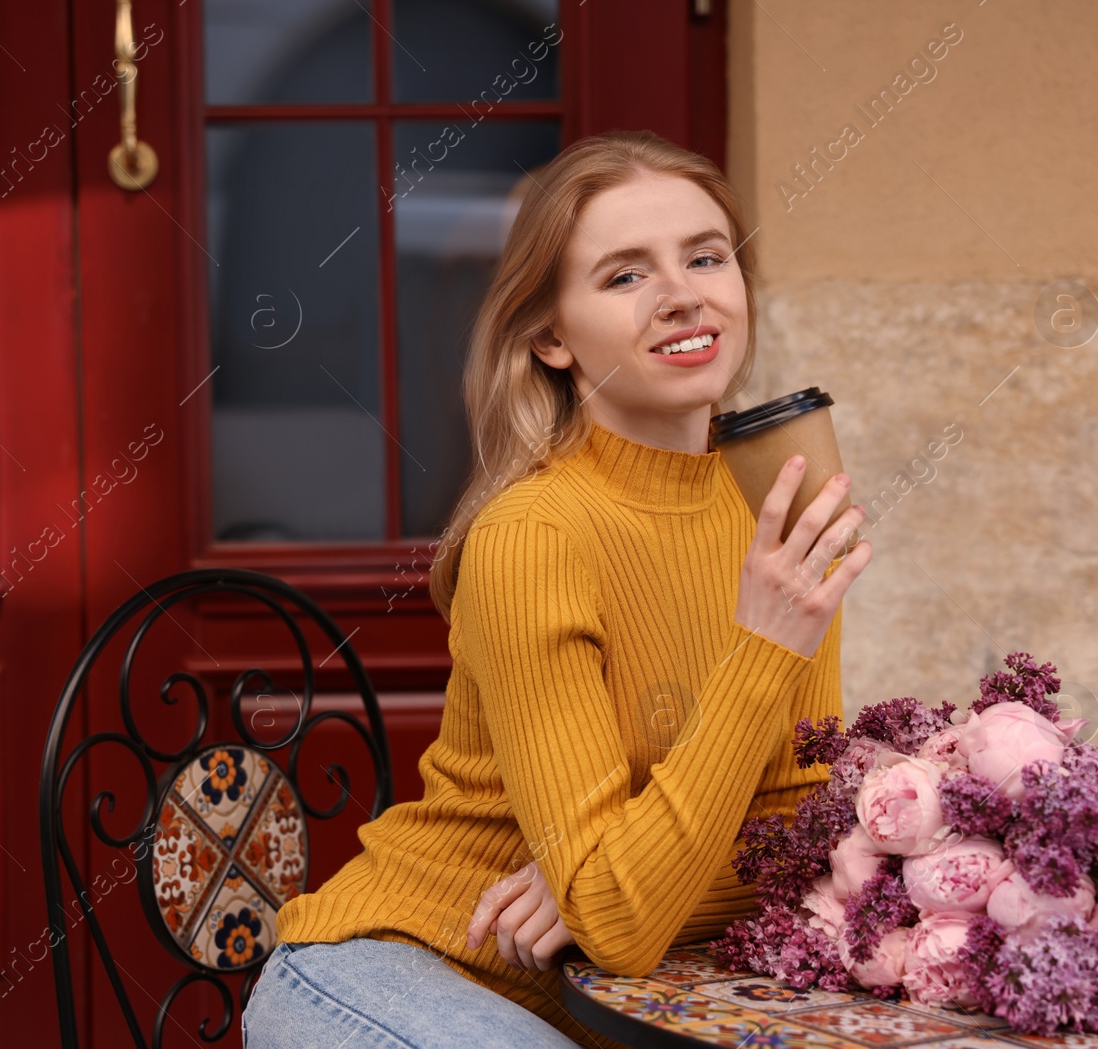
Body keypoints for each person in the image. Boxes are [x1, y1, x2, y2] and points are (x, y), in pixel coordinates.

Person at [242, 128, 871, 1048]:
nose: (682, 294)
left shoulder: (771, 509)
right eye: (624, 276)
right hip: (394, 967)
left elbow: (794, 832)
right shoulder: (534, 536)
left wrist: (611, 878)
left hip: (605, 1000)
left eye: (705, 257)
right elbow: (621, 917)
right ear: (550, 337)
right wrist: (612, 887)